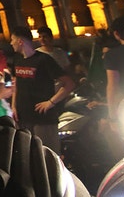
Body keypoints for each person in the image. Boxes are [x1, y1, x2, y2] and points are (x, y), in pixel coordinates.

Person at [10, 25, 75, 154]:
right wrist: (14, 106)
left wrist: (50, 102)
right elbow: (16, 84)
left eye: (12, 40)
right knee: (28, 155)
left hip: (43, 119)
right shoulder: (17, 60)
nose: (11, 43)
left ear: (20, 41)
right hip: (23, 118)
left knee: (47, 155)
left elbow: (69, 84)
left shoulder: (44, 60)